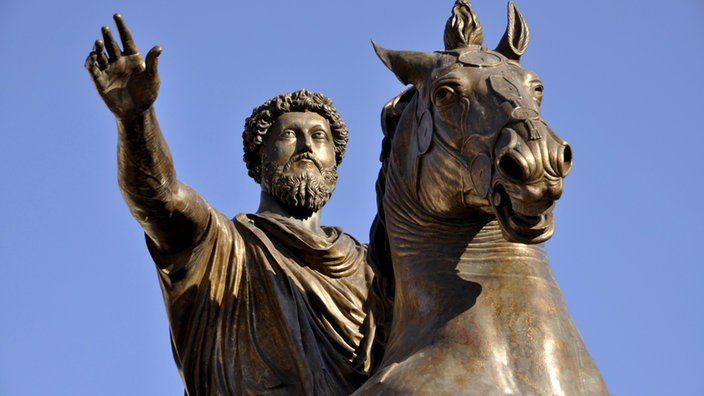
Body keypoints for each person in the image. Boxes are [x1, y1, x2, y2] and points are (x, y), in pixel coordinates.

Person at [85, 14, 380, 396]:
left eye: (319, 137)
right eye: (290, 134)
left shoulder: (376, 270)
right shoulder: (219, 246)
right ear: (258, 160)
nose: (307, 145)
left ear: (335, 165)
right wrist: (135, 119)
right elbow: (159, 199)